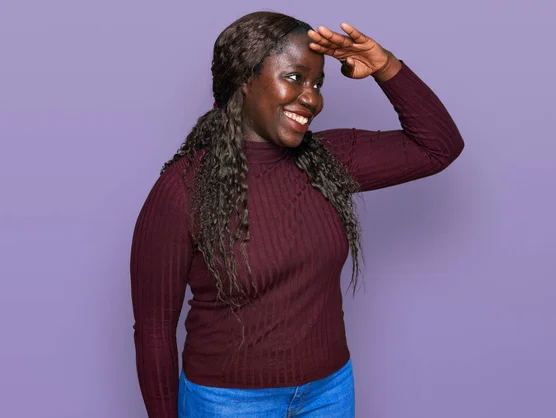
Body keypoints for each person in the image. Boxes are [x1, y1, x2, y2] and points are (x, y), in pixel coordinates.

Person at [130, 10, 464, 418]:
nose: (312, 98)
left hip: (329, 394)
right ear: (244, 81)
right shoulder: (183, 188)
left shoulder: (328, 159)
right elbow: (153, 331)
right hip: (228, 404)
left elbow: (438, 147)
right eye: (294, 77)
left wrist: (385, 66)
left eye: (318, 83)